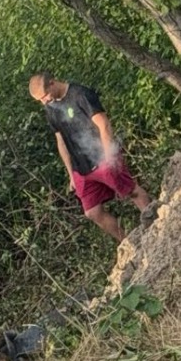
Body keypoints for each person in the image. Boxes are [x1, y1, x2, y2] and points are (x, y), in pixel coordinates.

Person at [28, 74, 153, 243]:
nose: (44, 102)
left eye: (44, 96)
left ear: (52, 83)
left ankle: (156, 225)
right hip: (80, 168)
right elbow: (61, 141)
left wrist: (109, 155)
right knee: (92, 212)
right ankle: (129, 243)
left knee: (130, 191)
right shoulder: (51, 109)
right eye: (40, 100)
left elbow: (104, 124)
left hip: (101, 157)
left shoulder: (80, 94)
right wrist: (71, 174)